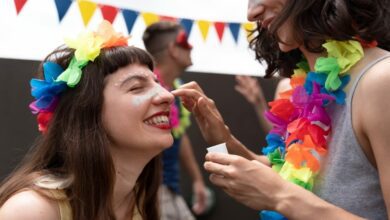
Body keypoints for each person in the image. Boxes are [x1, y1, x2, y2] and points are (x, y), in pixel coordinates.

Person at [172, 0, 390, 219]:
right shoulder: (298, 88)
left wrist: (281, 197)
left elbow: (282, 192)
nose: (251, 13)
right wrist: (221, 141)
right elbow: (286, 177)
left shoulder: (381, 81)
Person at [0, 20, 175, 220]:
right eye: (136, 87)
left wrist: (218, 144)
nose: (167, 95)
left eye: (158, 83)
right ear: (88, 111)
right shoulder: (31, 211)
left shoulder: (139, 201)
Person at [142, 21, 207, 219]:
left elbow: (179, 135)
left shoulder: (175, 90)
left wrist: (197, 180)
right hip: (149, 191)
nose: (192, 46)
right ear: (173, 49)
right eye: (185, 42)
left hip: (171, 187)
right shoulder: (145, 90)